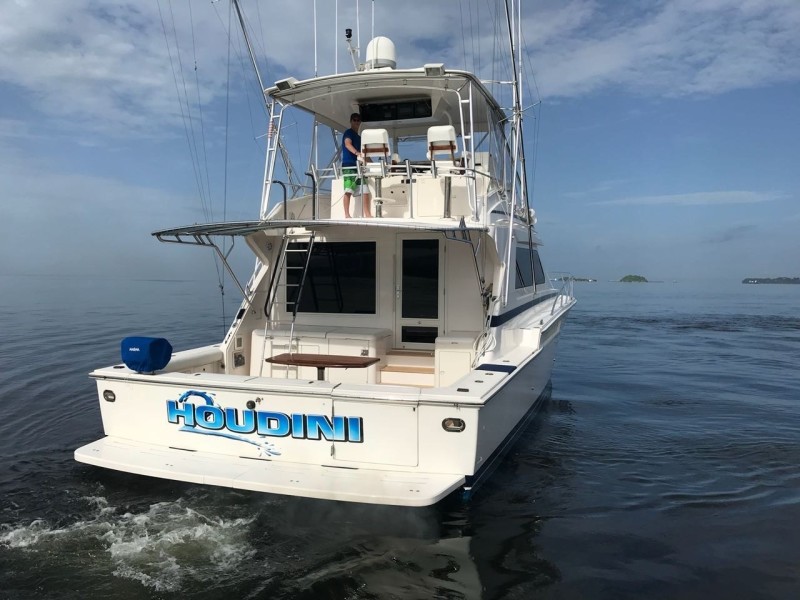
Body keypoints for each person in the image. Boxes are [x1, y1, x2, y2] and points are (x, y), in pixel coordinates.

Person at [341, 112, 373, 218]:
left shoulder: (359, 138)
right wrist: (356, 153)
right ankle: (347, 215)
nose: (356, 122)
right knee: (348, 190)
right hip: (349, 166)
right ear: (351, 121)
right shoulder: (348, 133)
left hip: (359, 167)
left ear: (360, 122)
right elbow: (347, 144)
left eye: (358, 120)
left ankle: (368, 214)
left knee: (365, 191)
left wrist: (374, 165)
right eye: (354, 120)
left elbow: (364, 154)